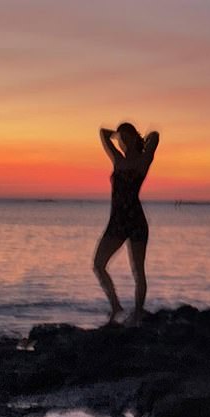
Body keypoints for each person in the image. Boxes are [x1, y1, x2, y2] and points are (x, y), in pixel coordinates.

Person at [93, 122, 160, 326]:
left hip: (135, 220)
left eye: (124, 137)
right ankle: (116, 307)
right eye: (121, 139)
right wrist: (117, 133)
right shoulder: (117, 159)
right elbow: (103, 133)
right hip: (117, 221)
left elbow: (155, 136)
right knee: (98, 265)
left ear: (132, 137)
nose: (121, 142)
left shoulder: (143, 160)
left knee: (138, 270)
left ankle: (138, 313)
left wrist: (139, 138)